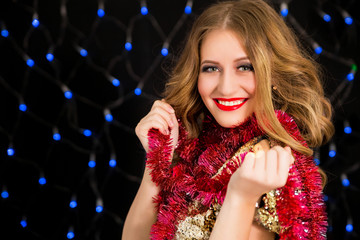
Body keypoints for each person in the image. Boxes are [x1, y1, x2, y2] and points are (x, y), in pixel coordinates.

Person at [122, 0, 334, 239]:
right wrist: (157, 162)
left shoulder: (270, 165)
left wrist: (241, 196)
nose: (226, 87)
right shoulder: (197, 149)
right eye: (211, 69)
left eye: (245, 67)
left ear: (272, 73)